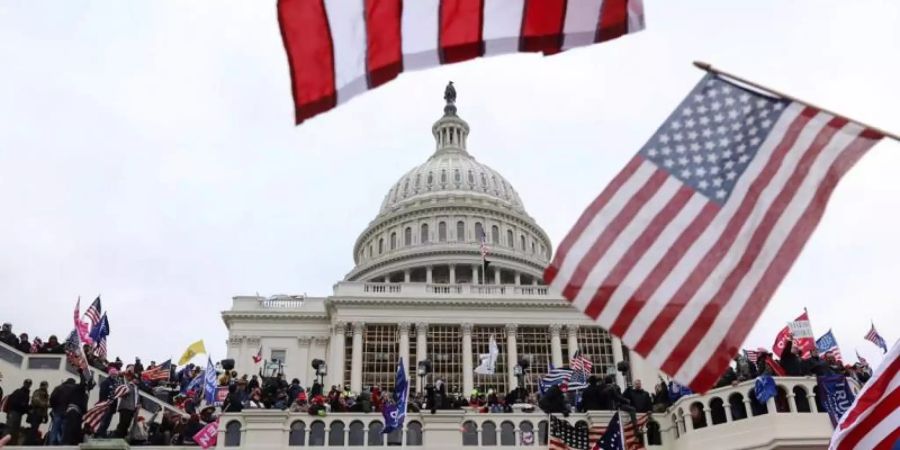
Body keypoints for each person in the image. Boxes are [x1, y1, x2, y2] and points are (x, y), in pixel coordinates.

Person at [5, 379, 32, 445]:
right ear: (24, 383)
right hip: (14, 412)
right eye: (27, 383)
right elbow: (12, 402)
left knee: (14, 430)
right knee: (9, 429)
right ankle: (5, 443)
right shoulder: (18, 392)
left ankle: (11, 445)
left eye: (29, 384)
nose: (27, 385)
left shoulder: (25, 393)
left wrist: (27, 408)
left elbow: (24, 405)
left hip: (18, 414)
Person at [115, 373, 139, 439]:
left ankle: (122, 437)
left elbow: (136, 399)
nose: (137, 380)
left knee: (127, 424)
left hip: (132, 409)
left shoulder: (136, 388)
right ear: (133, 379)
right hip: (125, 408)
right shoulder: (129, 385)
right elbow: (125, 392)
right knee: (123, 423)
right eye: (136, 379)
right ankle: (118, 437)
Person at [25, 380, 49, 445]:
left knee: (35, 430)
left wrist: (46, 416)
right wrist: (45, 404)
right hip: (35, 414)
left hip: (40, 415)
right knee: (33, 430)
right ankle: (28, 444)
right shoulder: (37, 392)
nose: (45, 387)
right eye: (45, 385)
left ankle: (31, 443)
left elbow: (45, 408)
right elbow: (36, 401)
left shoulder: (45, 394)